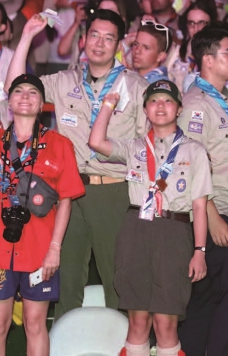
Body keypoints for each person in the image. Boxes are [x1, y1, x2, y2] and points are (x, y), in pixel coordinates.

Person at [3, 10, 150, 321]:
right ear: (83, 39)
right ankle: (65, 342)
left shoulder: (136, 87)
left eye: (109, 38)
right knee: (67, 274)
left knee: (116, 276)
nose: (100, 43)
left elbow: (145, 149)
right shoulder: (65, 80)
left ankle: (121, 342)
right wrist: (28, 35)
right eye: (94, 35)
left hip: (114, 191)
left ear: (119, 44)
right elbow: (15, 87)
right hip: (68, 192)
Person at [0, 74, 84, 356]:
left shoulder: (59, 145)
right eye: (19, 91)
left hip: (40, 252)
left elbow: (66, 200)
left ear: (42, 103)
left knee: (35, 323)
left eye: (33, 92)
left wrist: (55, 249)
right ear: (10, 103)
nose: (26, 96)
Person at [89, 80, 211, 356]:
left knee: (165, 321)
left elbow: (200, 207)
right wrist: (108, 105)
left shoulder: (194, 151)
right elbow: (96, 142)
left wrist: (199, 251)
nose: (160, 106)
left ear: (179, 108)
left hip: (175, 232)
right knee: (138, 319)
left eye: (167, 101)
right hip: (137, 229)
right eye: (154, 101)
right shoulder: (133, 147)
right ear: (145, 109)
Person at [176, 26, 228, 356]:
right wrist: (214, 219)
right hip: (204, 216)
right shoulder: (196, 105)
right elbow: (190, 165)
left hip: (223, 210)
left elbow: (225, 165)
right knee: (215, 300)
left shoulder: (220, 102)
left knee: (220, 299)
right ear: (207, 60)